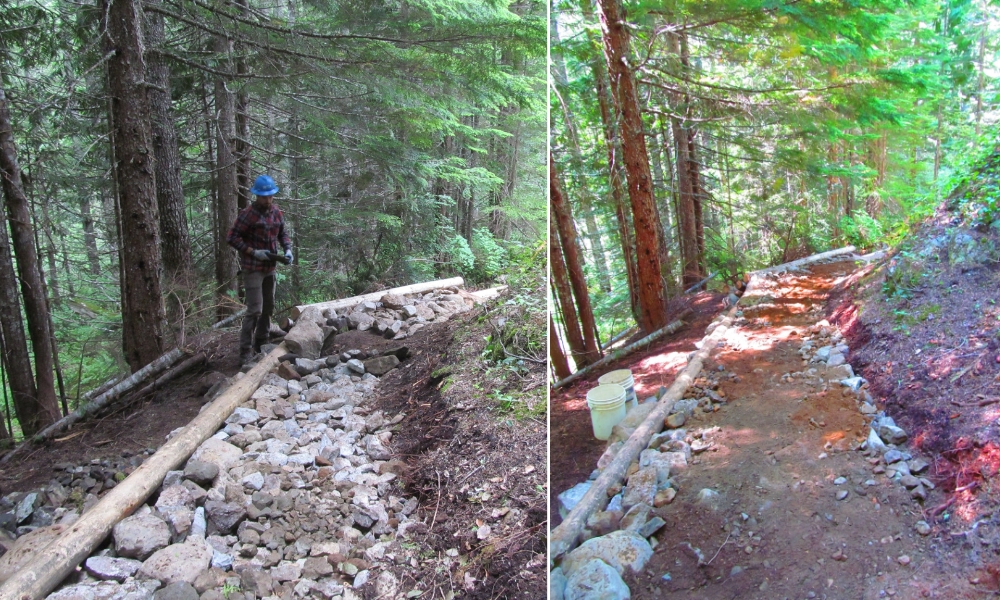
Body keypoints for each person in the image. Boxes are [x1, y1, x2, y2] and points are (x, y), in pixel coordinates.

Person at [226, 174, 293, 363]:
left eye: (270, 196)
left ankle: (261, 342)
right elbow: (232, 237)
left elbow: (283, 234)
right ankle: (245, 351)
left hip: (270, 267)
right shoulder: (248, 214)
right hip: (253, 267)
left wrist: (288, 250)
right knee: (255, 309)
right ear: (257, 196)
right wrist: (253, 252)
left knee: (268, 307)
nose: (268, 199)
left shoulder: (276, 213)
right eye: (264, 197)